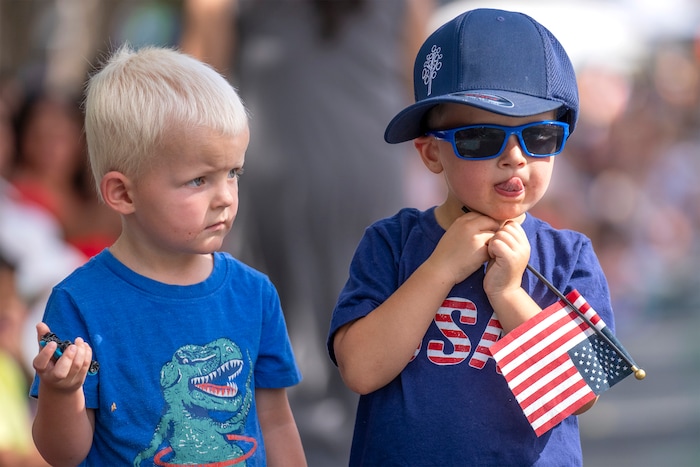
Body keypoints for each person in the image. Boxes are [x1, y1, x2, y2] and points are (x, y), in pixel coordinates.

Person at [327, 8, 616, 466]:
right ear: (431, 153)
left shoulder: (567, 255)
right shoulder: (391, 244)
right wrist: (441, 268)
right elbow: (360, 370)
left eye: (539, 136)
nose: (515, 158)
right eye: (482, 139)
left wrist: (508, 293)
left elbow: (581, 394)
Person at [180, 1, 436, 463]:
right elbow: (421, 78)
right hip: (369, 163)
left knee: (282, 327)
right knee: (369, 306)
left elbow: (198, 81)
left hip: (278, 167)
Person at [29, 45, 307, 466]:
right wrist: (62, 392)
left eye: (233, 172)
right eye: (199, 180)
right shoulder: (79, 302)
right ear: (123, 193)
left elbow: (275, 421)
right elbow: (63, 454)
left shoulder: (255, 294)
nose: (226, 198)